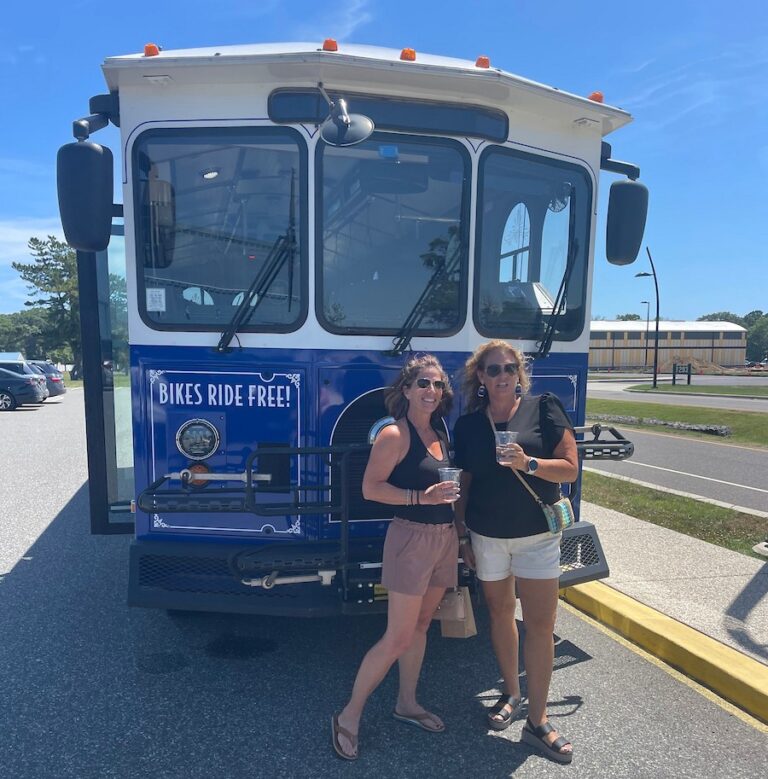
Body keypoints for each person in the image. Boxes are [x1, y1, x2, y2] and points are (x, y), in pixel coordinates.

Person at [452, 339, 578, 764]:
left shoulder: (544, 408)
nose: (502, 375)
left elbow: (571, 466)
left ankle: (538, 722)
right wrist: (462, 534)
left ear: (519, 373)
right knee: (501, 615)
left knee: (540, 626)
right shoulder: (470, 425)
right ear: (481, 378)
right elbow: (465, 483)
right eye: (492, 370)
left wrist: (530, 464)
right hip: (487, 537)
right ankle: (511, 691)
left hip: (537, 537)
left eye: (508, 368)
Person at [331, 354, 460, 761]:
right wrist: (420, 497)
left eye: (438, 385)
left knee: (423, 624)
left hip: (445, 538)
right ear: (405, 389)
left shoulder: (439, 429)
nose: (431, 391)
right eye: (423, 383)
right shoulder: (394, 434)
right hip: (411, 539)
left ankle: (407, 702)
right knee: (397, 636)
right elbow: (370, 488)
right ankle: (347, 716)